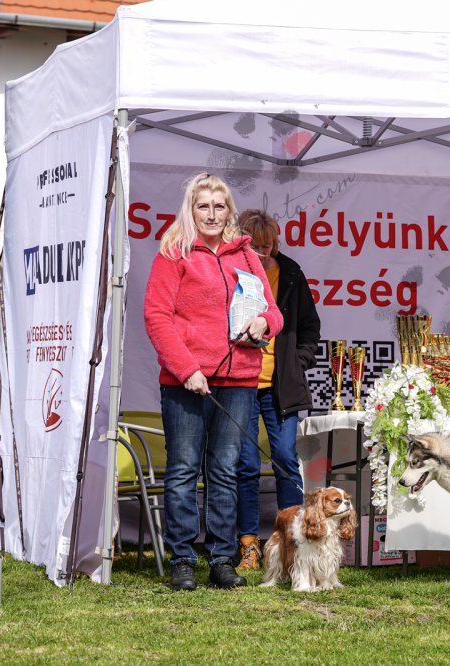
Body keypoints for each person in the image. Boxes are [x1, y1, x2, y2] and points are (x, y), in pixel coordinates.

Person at [144, 173, 283, 591]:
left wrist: (264, 322)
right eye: (203, 206)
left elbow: (274, 313)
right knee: (184, 470)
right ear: (191, 210)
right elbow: (156, 316)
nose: (211, 214)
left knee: (225, 470)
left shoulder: (248, 257)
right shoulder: (174, 253)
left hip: (238, 379)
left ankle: (222, 559)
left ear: (229, 211)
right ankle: (183, 559)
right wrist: (186, 369)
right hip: (186, 381)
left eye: (219, 206)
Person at [233, 209, 321, 571]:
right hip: (239, 382)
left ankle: (293, 542)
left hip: (280, 385)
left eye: (269, 245)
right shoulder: (231, 270)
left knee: (285, 458)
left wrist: (297, 362)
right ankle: (248, 546)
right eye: (257, 245)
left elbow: (310, 326)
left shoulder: (292, 273)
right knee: (246, 464)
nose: (264, 251)